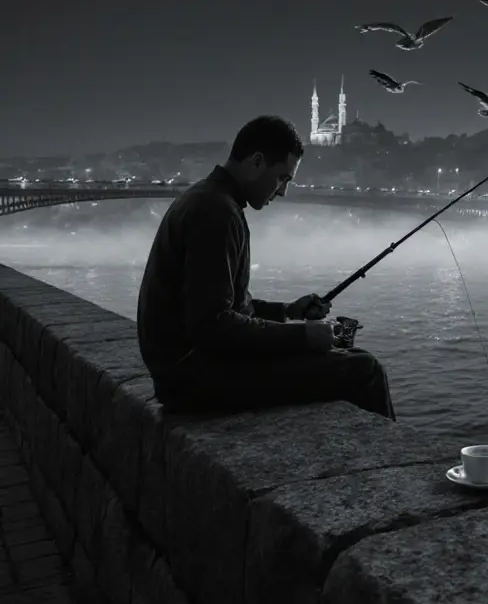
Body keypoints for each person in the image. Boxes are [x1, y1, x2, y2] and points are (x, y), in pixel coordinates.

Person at [136, 115, 396, 420]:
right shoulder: (216, 213)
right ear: (257, 162)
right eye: (282, 178)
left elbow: (225, 307)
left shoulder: (207, 198)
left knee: (345, 357)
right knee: (365, 369)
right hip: (195, 379)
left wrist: (288, 311)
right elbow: (211, 325)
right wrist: (304, 337)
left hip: (185, 370)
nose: (283, 191)